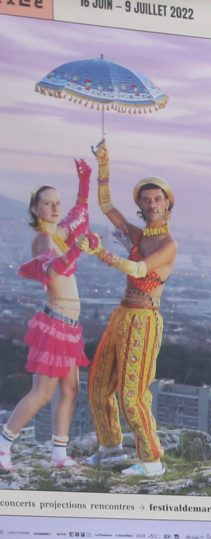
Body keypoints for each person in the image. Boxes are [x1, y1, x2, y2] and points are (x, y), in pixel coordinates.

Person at [3, 160, 127, 473]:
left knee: (70, 390)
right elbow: (52, 269)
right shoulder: (45, 240)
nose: (56, 207)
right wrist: (77, 250)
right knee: (43, 393)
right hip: (55, 325)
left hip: (69, 327)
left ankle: (59, 454)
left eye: (57, 202)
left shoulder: (59, 232)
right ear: (36, 210)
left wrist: (85, 178)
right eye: (48, 203)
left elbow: (80, 211)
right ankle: (3, 445)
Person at [83, 139, 179, 477]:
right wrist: (104, 164)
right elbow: (107, 205)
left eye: (157, 199)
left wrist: (100, 254)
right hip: (122, 314)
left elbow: (139, 270)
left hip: (144, 320)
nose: (152, 204)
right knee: (97, 386)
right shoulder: (139, 236)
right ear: (140, 203)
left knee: (131, 395)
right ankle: (110, 449)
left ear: (168, 203)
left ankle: (152, 461)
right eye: (146, 199)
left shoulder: (168, 244)